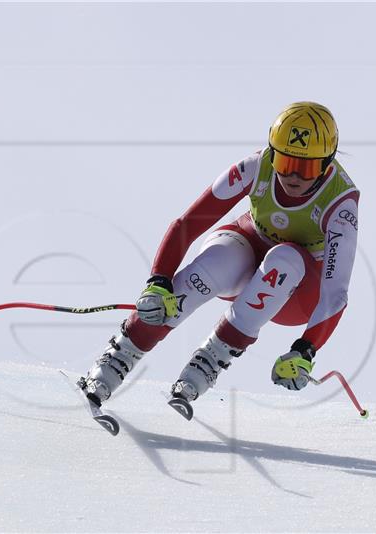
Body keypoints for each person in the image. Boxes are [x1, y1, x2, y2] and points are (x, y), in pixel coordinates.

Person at [79, 101, 360, 419]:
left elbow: (335, 294)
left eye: (306, 168)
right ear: (272, 153)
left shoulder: (341, 203)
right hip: (247, 250)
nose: (292, 175)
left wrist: (305, 349)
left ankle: (208, 363)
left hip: (296, 291)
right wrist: (158, 282)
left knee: (286, 257)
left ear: (327, 164)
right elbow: (190, 223)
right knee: (216, 263)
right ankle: (115, 361)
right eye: (284, 161)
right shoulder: (256, 166)